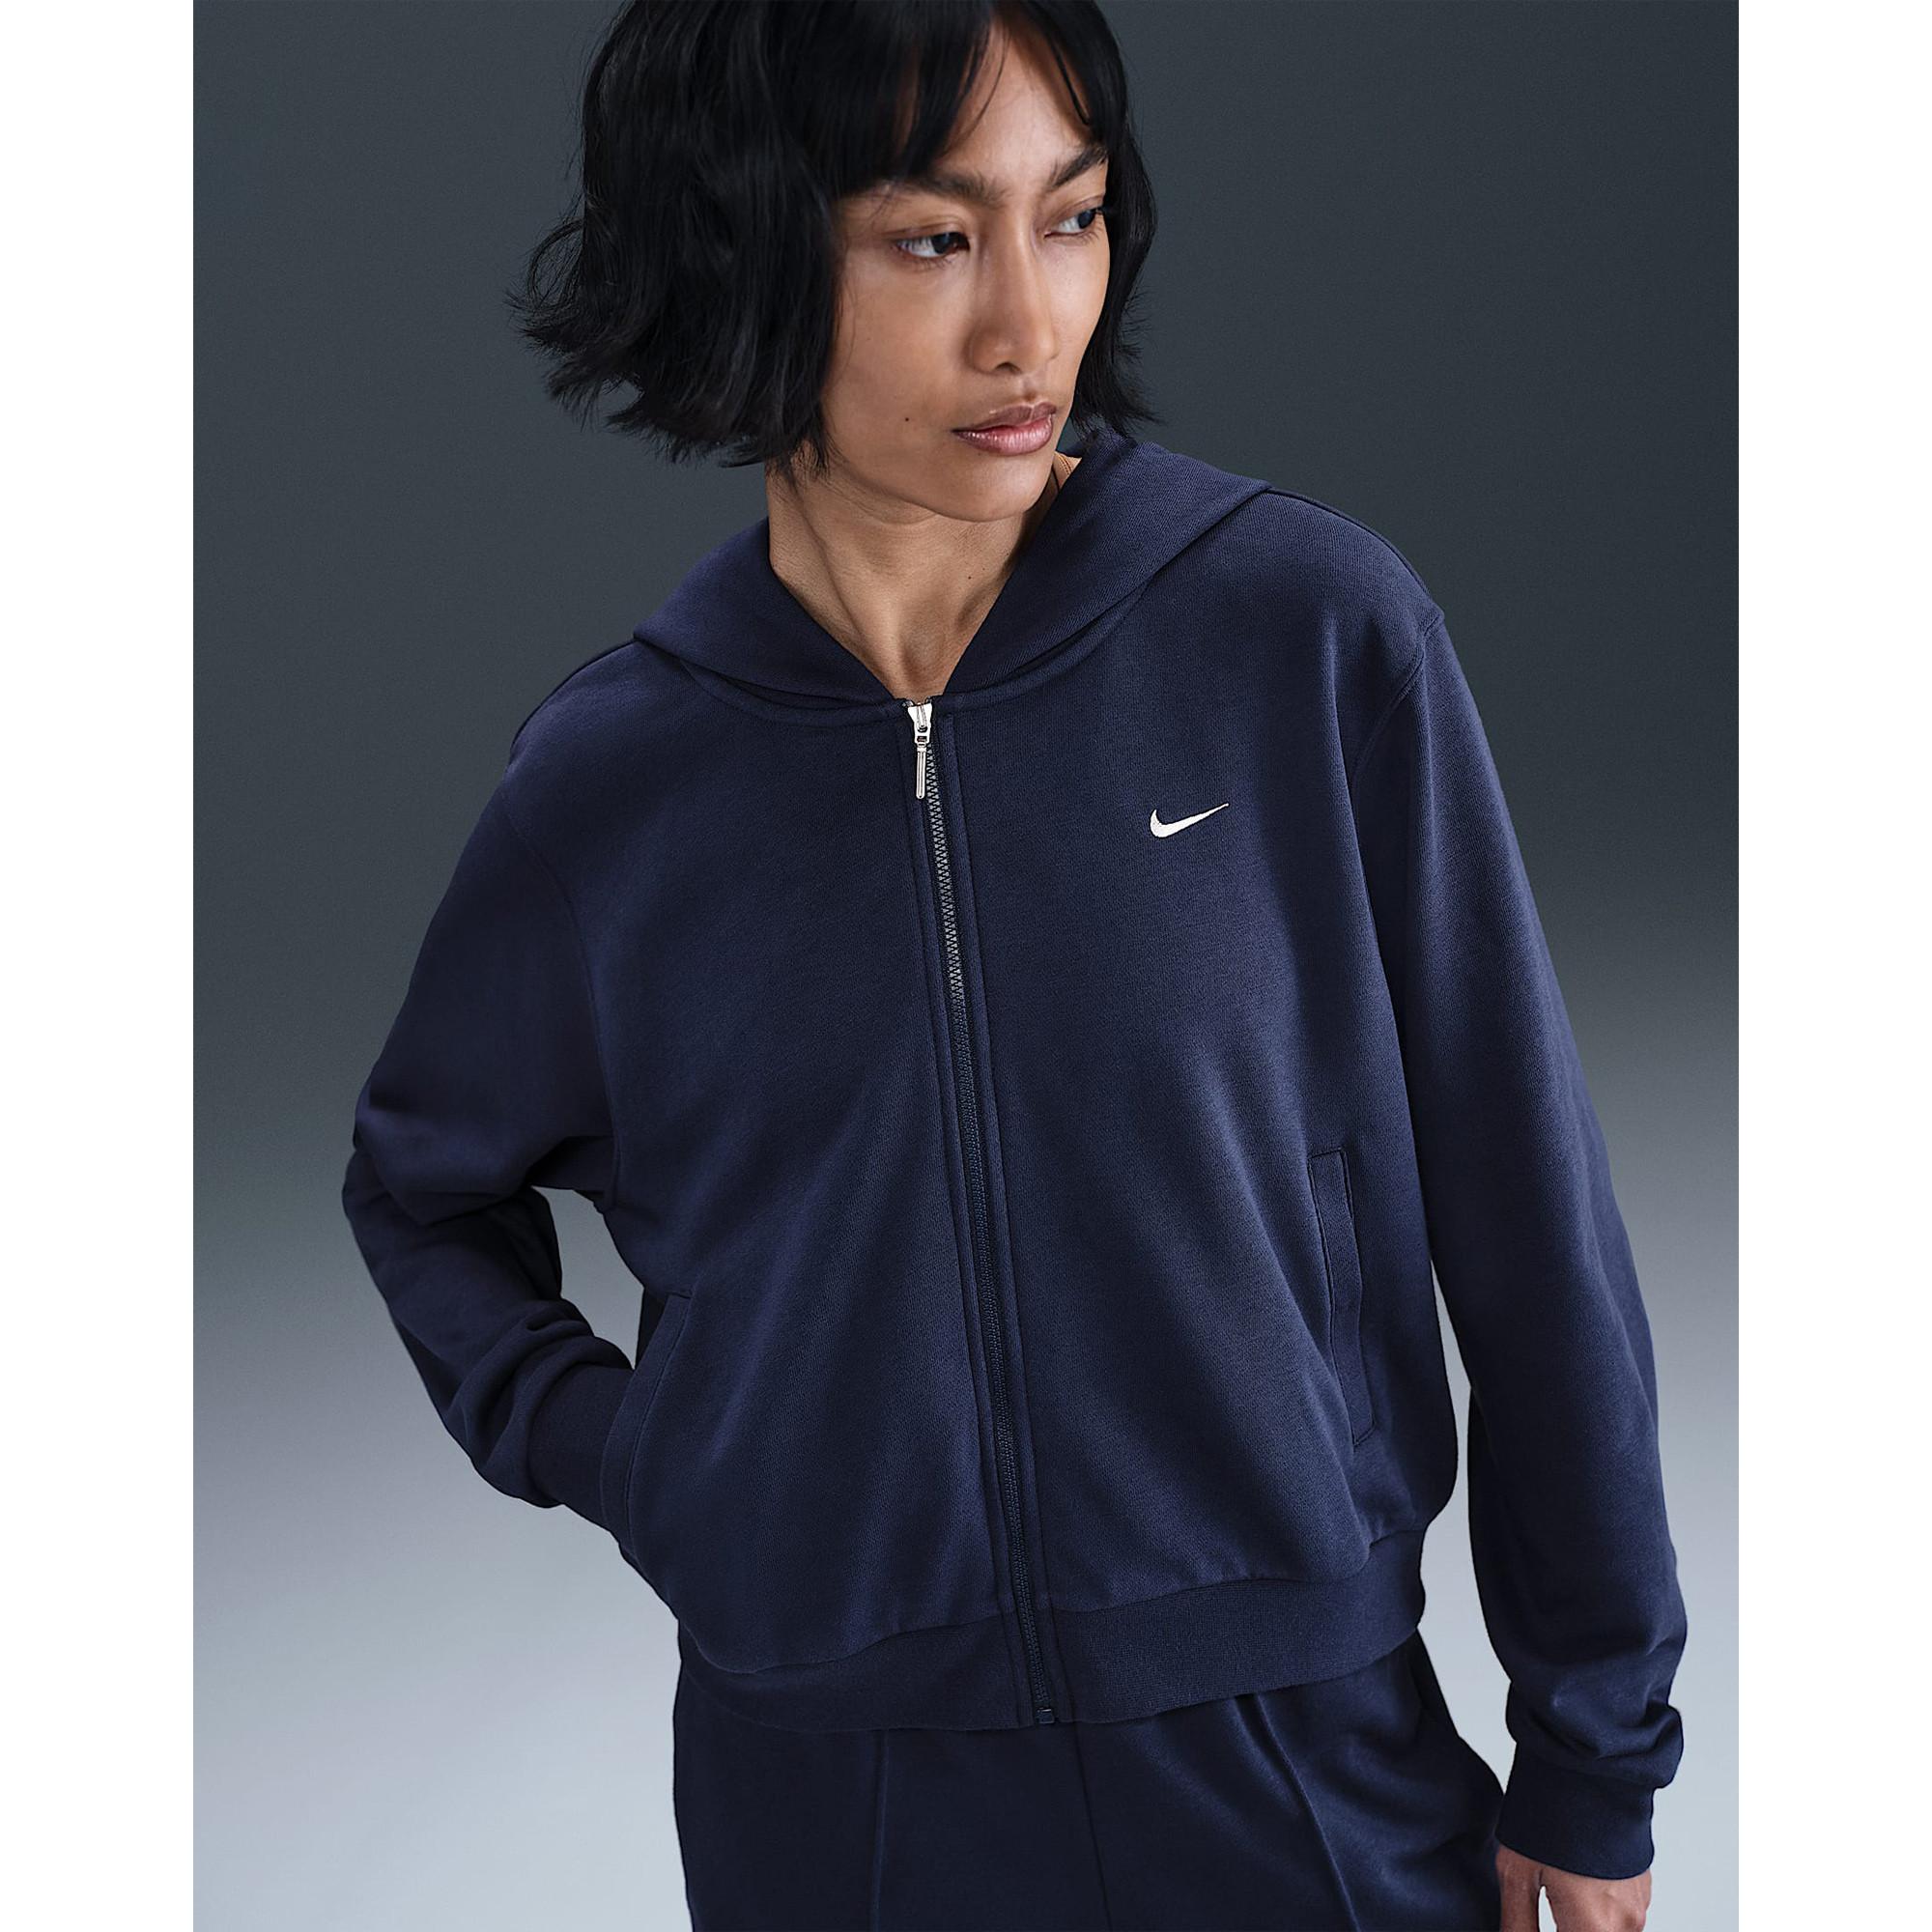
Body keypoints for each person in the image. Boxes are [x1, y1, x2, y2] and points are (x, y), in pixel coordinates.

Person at [340, 4, 1688, 1927]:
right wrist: (655, 1460)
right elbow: (420, 1185)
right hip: (837, 1802)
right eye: (930, 238)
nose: (1025, 326)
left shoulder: (1306, 640)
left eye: (1070, 218)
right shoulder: (617, 781)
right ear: (738, 250)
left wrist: (1593, 1740)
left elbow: (1527, 1210)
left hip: (1294, 1759)